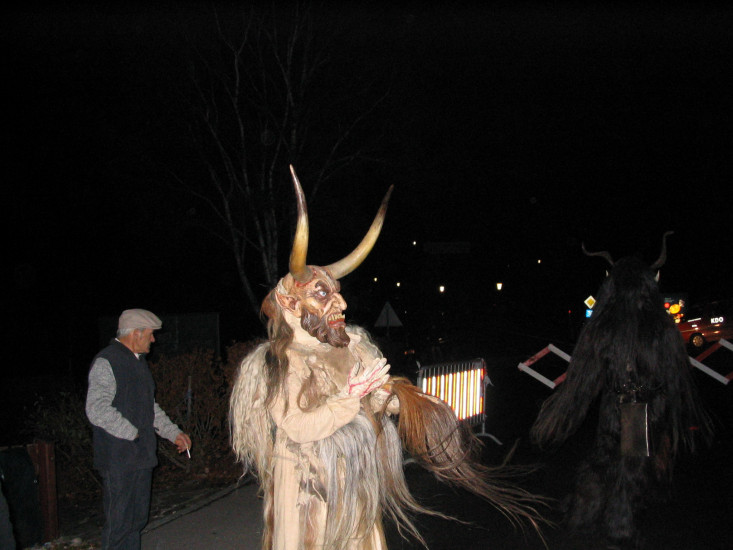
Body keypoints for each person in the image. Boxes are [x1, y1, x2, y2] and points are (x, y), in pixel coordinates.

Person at [230, 166, 545, 550]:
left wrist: (399, 400)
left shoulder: (352, 348)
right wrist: (350, 397)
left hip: (355, 485)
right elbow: (297, 426)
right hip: (305, 492)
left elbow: (374, 402)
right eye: (323, 294)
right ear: (293, 304)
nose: (341, 303)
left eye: (337, 291)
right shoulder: (282, 361)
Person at [530, 233, 711, 548]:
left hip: (614, 404)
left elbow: (588, 374)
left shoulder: (605, 325)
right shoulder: (658, 326)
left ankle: (584, 513)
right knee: (631, 467)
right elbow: (672, 373)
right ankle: (620, 528)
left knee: (605, 455)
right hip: (642, 407)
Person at [86, 308, 192, 550]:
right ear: (136, 333)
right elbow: (96, 408)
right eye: (151, 334)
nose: (153, 339)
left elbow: (150, 407)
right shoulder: (107, 361)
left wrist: (173, 433)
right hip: (119, 461)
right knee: (119, 526)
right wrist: (133, 433)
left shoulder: (138, 363)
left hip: (141, 458)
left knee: (136, 522)